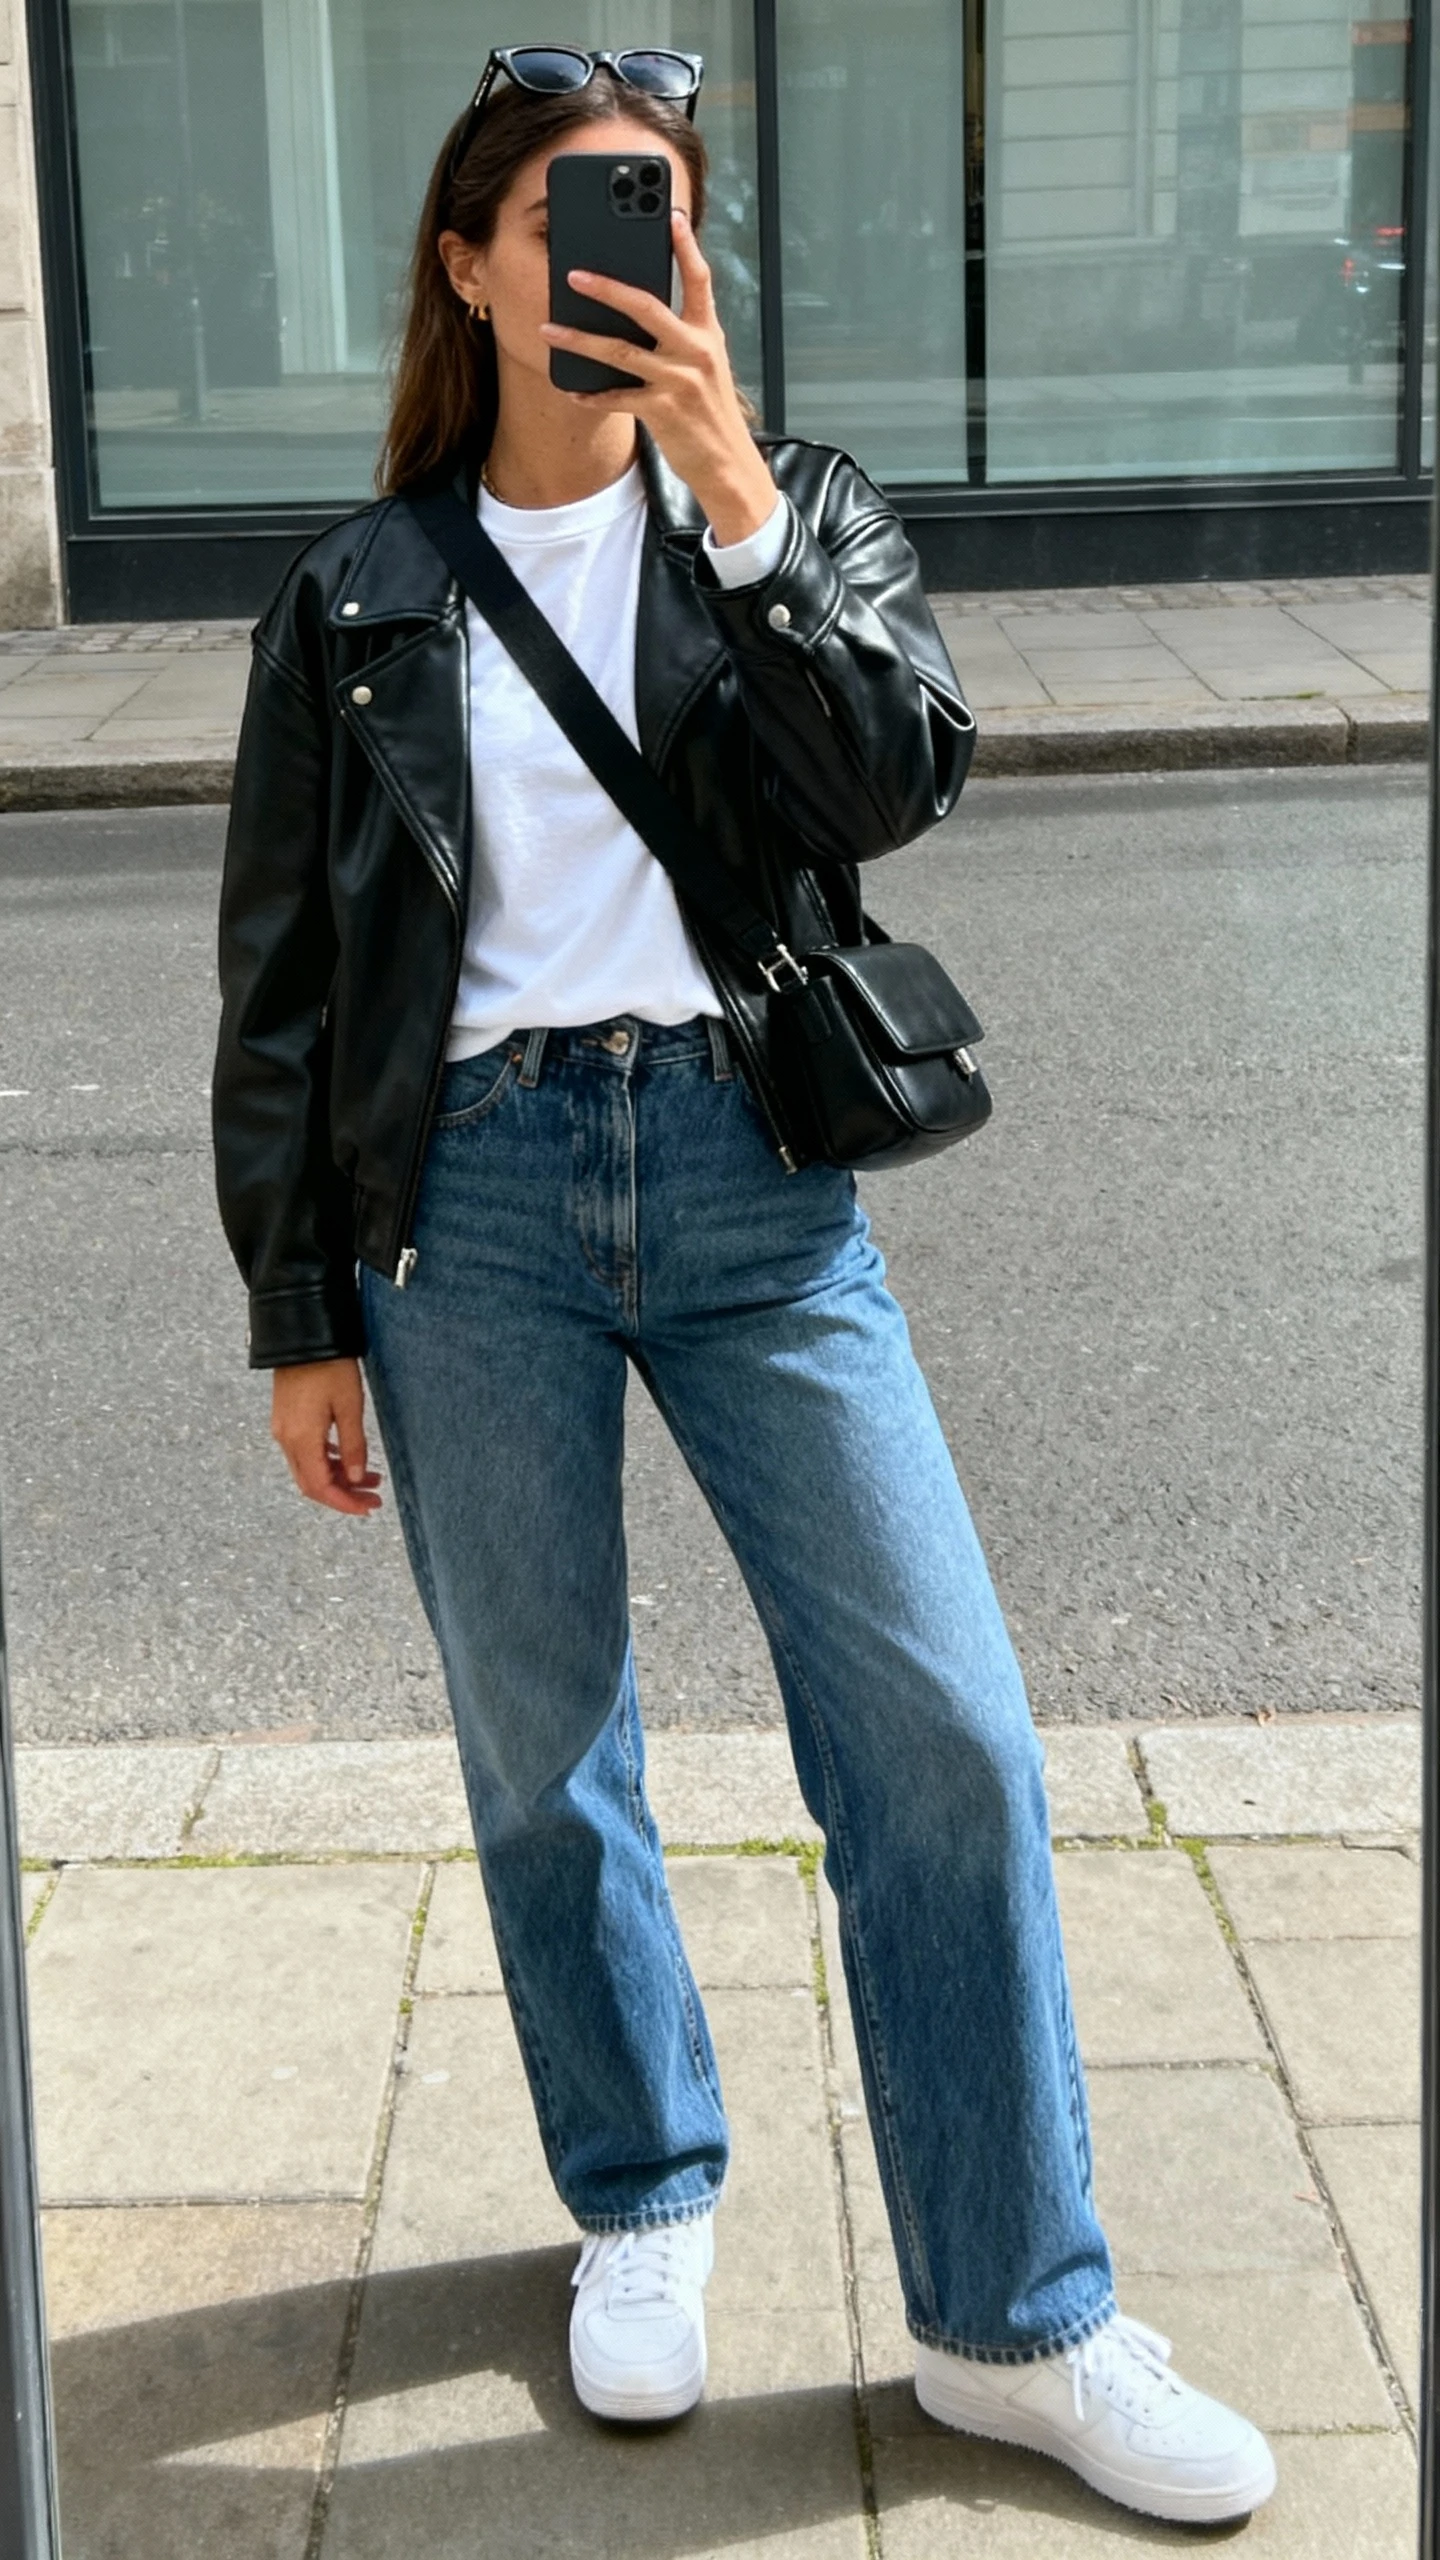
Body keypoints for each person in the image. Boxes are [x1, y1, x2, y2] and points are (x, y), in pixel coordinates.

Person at [211, 45, 1277, 2529]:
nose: (625, 257)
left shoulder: (789, 513)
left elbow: (895, 774)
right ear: (475, 257)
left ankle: (1020, 2316)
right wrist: (296, 1313)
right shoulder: (353, 597)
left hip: (748, 1175)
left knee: (946, 1730)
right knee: (543, 1744)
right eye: (581, 214)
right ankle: (645, 2193)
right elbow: (278, 984)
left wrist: (736, 505)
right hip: (462, 1207)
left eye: (663, 222)